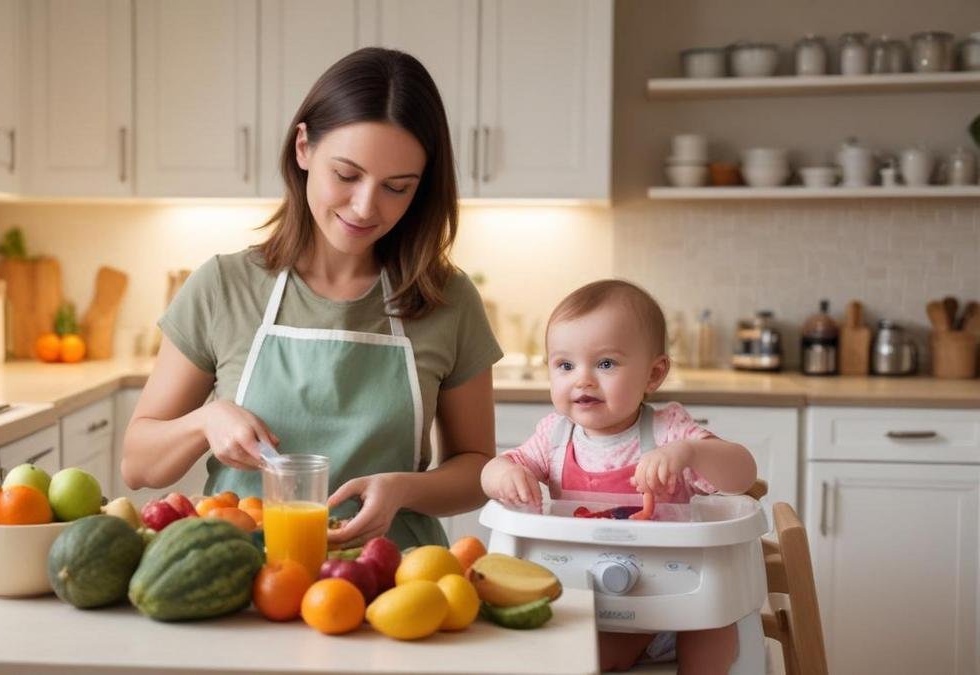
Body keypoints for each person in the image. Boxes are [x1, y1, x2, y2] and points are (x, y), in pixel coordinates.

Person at [121, 47, 503, 550]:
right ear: (304, 148)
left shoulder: (447, 300)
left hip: (390, 577)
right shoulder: (223, 286)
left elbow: (477, 468)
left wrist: (404, 488)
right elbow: (137, 465)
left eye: (397, 187)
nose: (366, 206)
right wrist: (205, 420)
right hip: (241, 576)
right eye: (346, 175)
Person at [479, 279, 756, 675]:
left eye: (605, 363)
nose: (583, 379)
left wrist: (690, 453)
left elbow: (742, 475)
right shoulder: (554, 436)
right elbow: (494, 468)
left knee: (713, 625)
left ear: (653, 374)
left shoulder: (669, 431)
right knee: (572, 652)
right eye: (565, 365)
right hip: (596, 604)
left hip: (677, 598)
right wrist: (502, 473)